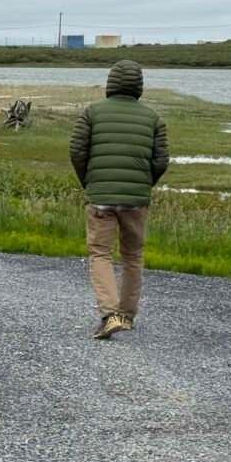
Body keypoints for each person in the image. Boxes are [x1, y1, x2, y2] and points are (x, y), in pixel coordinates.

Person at [69, 60, 169, 340]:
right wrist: (144, 185)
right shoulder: (153, 118)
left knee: (100, 254)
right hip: (136, 200)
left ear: (110, 83)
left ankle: (109, 314)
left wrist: (88, 183)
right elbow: (161, 160)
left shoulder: (92, 112)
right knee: (133, 256)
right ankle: (126, 315)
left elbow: (76, 151)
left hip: (100, 198)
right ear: (139, 85)